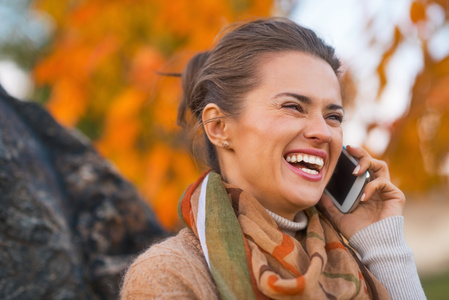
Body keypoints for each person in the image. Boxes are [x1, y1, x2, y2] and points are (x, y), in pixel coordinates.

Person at [121, 17, 426, 299]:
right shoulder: (168, 274)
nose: (323, 132)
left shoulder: (358, 263)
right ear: (218, 126)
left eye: (333, 116)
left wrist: (382, 243)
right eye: (293, 107)